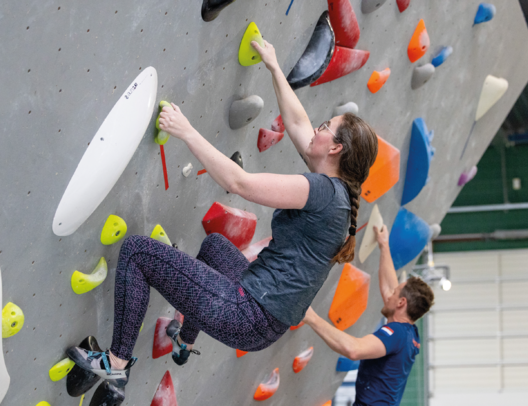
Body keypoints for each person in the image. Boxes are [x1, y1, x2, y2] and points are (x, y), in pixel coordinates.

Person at [66, 38, 379, 397]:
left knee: (137, 253)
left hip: (246, 312)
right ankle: (184, 340)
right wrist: (274, 66)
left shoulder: (324, 191)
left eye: (326, 127)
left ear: (336, 148)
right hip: (264, 319)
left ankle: (116, 364)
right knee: (215, 247)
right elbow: (297, 122)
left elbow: (238, 182)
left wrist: (185, 130)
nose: (318, 129)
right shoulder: (337, 194)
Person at [302, 225, 435, 406]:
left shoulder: (396, 333)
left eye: (396, 294)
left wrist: (312, 318)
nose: (389, 295)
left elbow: (354, 350)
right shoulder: (410, 333)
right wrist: (383, 245)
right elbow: (389, 288)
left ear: (401, 303)